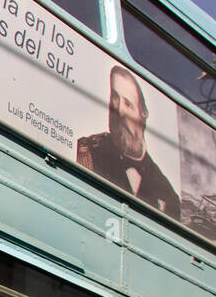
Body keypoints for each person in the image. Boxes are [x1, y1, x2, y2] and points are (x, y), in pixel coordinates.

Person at [76, 66, 181, 218]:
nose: (119, 111)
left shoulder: (167, 194)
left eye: (128, 104)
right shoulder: (88, 151)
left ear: (143, 113)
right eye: (115, 98)